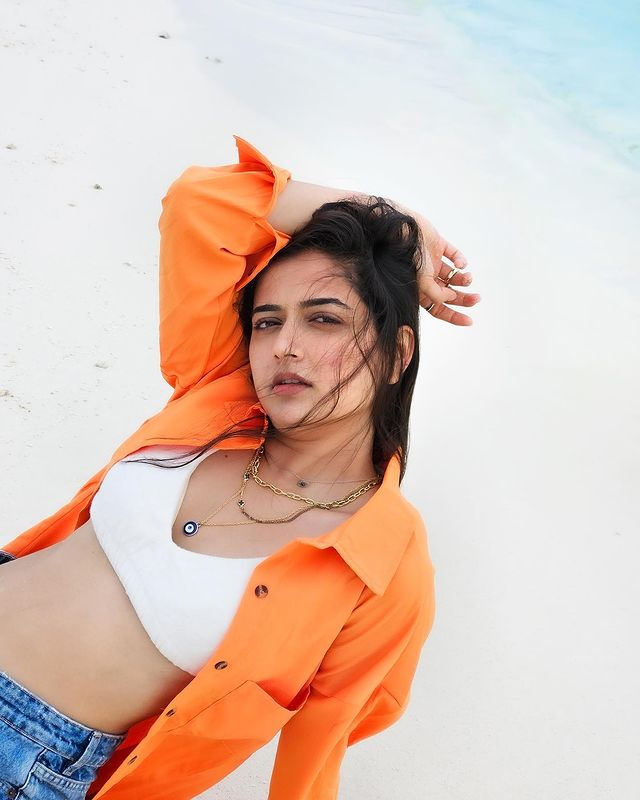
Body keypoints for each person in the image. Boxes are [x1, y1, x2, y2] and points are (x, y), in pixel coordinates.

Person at [0, 135, 481, 800]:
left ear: (398, 354)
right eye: (266, 322)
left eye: (324, 320)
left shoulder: (381, 563)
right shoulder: (219, 399)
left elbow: (319, 751)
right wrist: (391, 217)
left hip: (25, 752)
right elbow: (203, 203)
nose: (284, 346)